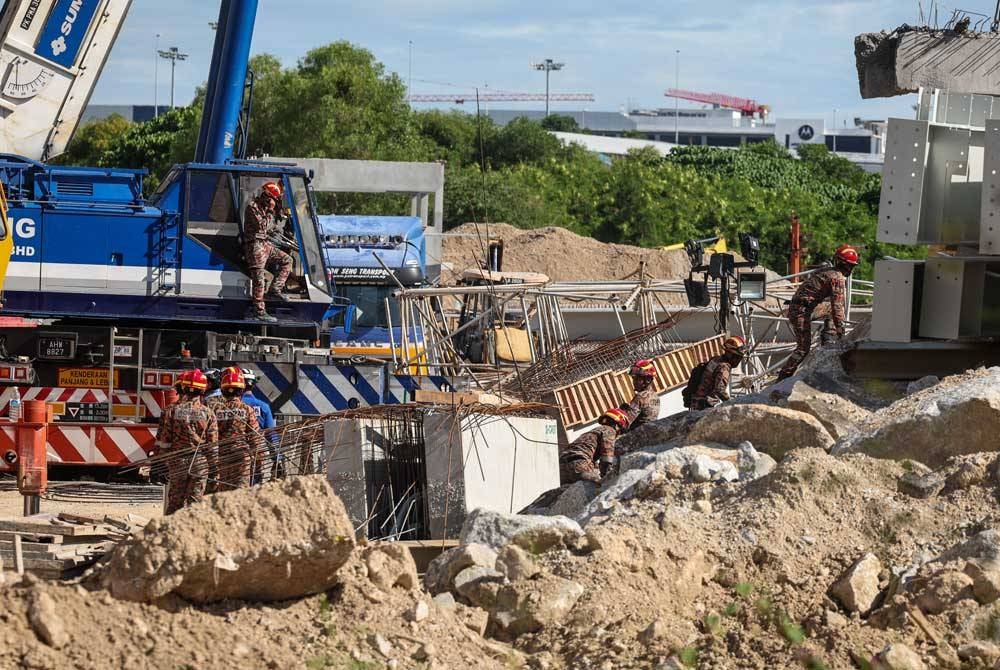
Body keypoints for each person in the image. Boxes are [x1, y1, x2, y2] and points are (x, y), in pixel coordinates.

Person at [776, 245, 859, 381]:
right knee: (803, 349)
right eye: (851, 266)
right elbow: (837, 307)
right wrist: (841, 332)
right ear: (844, 264)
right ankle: (783, 378)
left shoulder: (827, 271)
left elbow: (834, 308)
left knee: (829, 309)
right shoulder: (837, 278)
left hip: (800, 308)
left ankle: (828, 341)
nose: (851, 269)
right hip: (801, 312)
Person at [159, 369, 219, 513]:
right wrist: (214, 469)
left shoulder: (173, 411)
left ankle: (169, 532)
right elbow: (212, 445)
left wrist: (162, 462)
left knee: (174, 502)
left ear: (184, 388)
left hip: (177, 461)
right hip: (199, 462)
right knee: (195, 504)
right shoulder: (208, 413)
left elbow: (165, 440)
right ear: (203, 390)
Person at [243, 181, 293, 323]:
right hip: (255, 246)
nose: (273, 202)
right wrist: (271, 210)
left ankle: (275, 290)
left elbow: (269, 227)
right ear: (267, 196)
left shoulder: (264, 209)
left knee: (287, 260)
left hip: (264, 244)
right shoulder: (252, 207)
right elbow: (262, 226)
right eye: (273, 199)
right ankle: (259, 312)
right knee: (259, 280)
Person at [209, 368, 265, 491]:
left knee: (223, 493)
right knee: (239, 494)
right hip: (242, 458)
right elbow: (255, 438)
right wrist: (259, 464)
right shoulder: (247, 409)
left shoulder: (215, 410)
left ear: (223, 390)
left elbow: (211, 437)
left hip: (222, 457)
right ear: (241, 390)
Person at [559, 408, 630, 485]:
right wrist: (606, 475)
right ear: (618, 425)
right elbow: (607, 455)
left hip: (561, 469)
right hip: (579, 464)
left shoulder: (593, 432)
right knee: (600, 486)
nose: (618, 433)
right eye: (621, 430)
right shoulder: (609, 430)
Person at [241, 368, 280, 484]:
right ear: (253, 386)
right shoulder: (263, 407)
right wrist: (277, 460)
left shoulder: (228, 406)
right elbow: (271, 435)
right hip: (256, 456)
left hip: (232, 457)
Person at [689, 336, 748, 411]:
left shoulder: (716, 359)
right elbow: (720, 390)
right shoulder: (724, 367)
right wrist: (732, 403)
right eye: (738, 357)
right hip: (705, 406)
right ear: (730, 354)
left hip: (696, 402)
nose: (738, 360)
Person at [621, 359, 659, 430]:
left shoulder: (640, 397)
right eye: (633, 379)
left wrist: (621, 412)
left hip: (637, 436)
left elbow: (626, 421)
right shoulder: (654, 395)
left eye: (637, 379)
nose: (634, 382)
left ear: (647, 380)